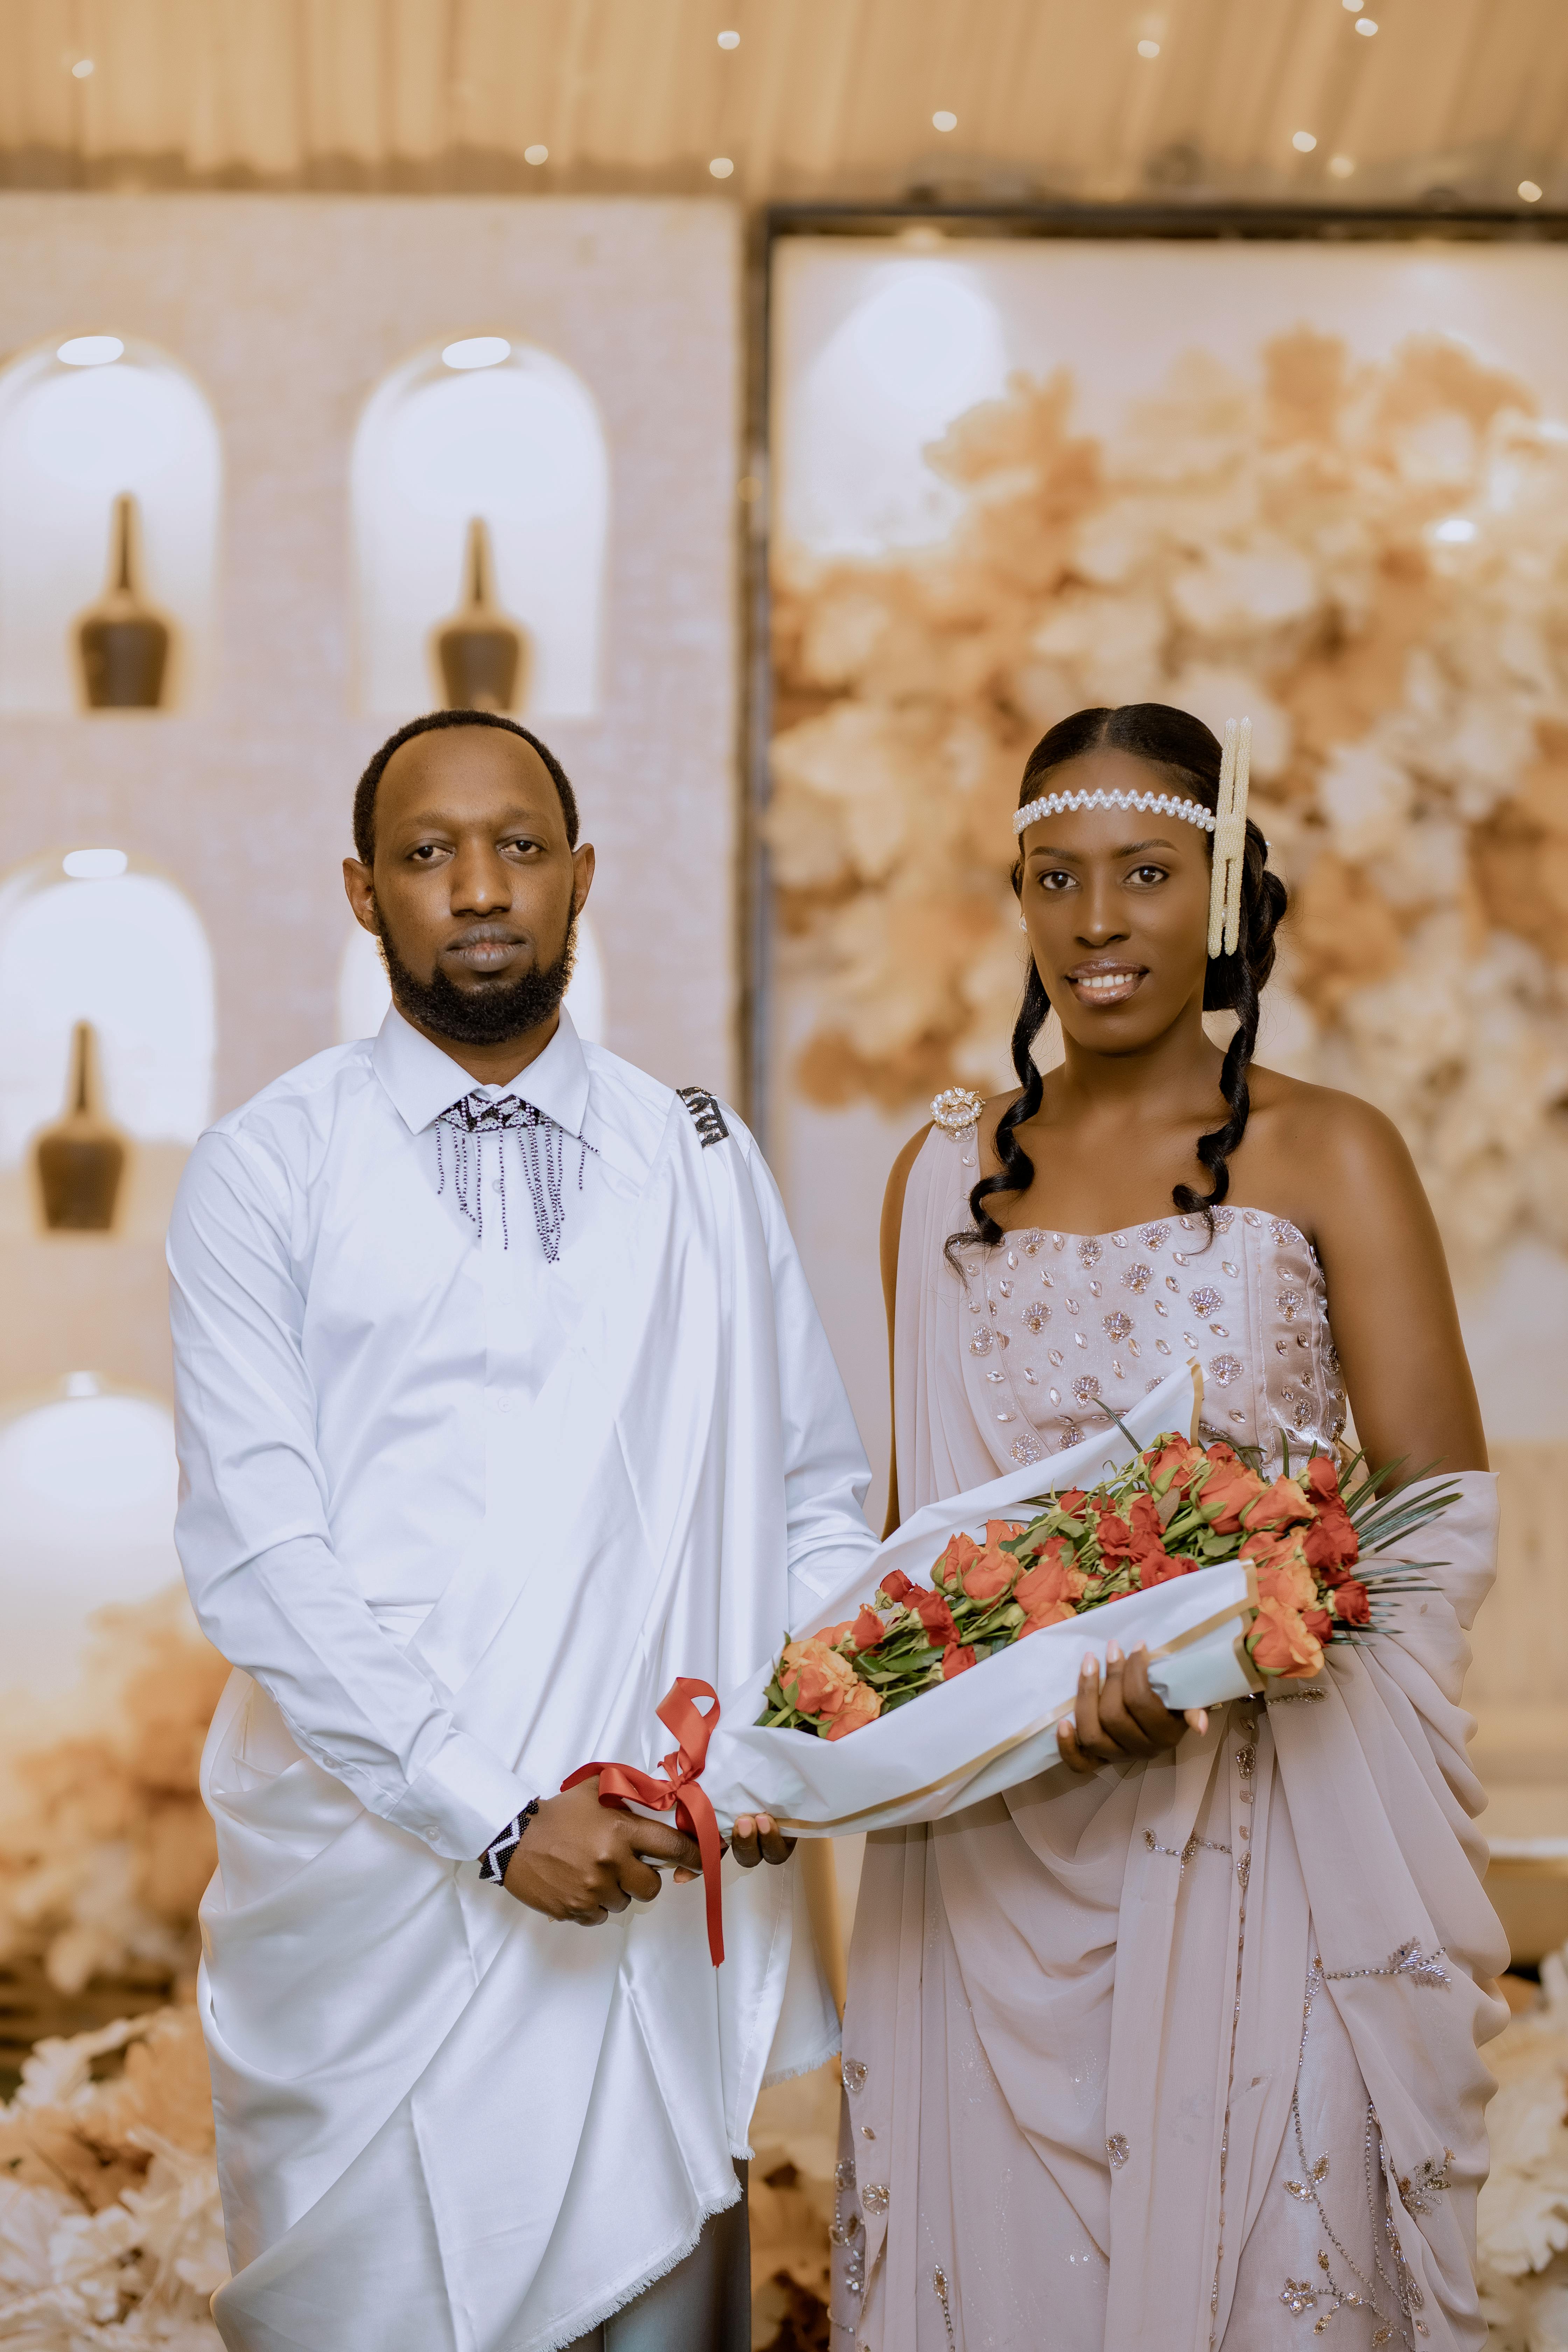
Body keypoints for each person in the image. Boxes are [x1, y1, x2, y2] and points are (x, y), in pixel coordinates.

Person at [168, 709, 878, 2352]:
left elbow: (813, 1491)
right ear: (363, 893)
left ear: (581, 877)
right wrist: (492, 1819)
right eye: (428, 854)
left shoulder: (699, 1157)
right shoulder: (265, 1169)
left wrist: (785, 1741)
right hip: (375, 1888)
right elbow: (262, 1559)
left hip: (656, 1859)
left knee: (653, 2294)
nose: (479, 887)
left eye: (518, 847)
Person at [833, 703, 1508, 2351]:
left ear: (1219, 896)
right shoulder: (937, 1180)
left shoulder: (1331, 1150)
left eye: (1143, 872)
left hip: (1271, 1837)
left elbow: (1436, 1511)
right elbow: (924, 1544)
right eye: (1052, 877)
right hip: (989, 1853)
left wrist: (1231, 1658)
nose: (1095, 920)